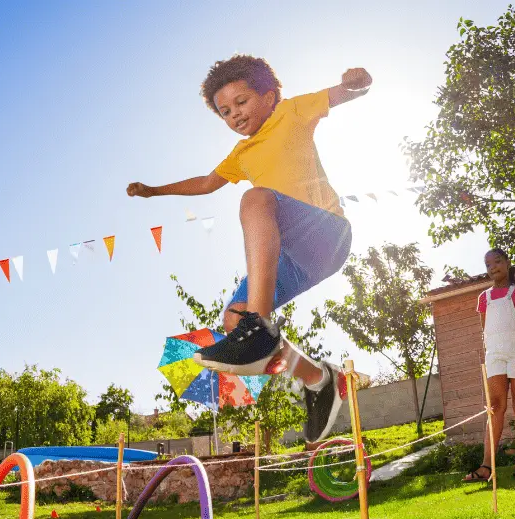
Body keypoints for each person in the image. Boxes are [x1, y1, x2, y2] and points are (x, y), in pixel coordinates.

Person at [127, 54, 372, 442]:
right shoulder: (241, 154)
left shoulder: (291, 112)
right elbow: (207, 183)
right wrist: (154, 191)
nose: (234, 115)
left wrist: (356, 82)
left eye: (241, 102)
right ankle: (319, 380)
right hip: (296, 257)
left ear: (269, 96)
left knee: (255, 199)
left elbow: (343, 93)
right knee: (233, 321)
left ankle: (259, 330)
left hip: (326, 232)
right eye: (225, 111)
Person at [464, 248, 515, 483]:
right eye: (488, 264)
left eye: (497, 262)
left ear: (507, 263)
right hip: (495, 353)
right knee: (495, 406)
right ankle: (487, 466)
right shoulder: (483, 298)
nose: (493, 267)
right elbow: (486, 329)